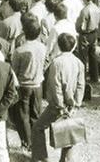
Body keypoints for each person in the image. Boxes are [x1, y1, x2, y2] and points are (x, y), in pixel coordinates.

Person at [30, 33, 85, 162]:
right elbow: (81, 85)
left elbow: (55, 86)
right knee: (69, 132)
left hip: (58, 105)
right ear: (74, 46)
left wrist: (60, 106)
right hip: (71, 106)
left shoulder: (56, 62)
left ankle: (40, 158)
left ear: (59, 46)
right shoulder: (79, 62)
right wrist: (76, 105)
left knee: (38, 127)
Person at [9, 14, 46, 150]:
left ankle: (27, 142)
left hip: (23, 85)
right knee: (36, 113)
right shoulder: (43, 47)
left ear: (24, 32)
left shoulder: (19, 50)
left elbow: (13, 70)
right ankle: (37, 141)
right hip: (38, 84)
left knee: (23, 114)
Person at [76, 0, 100, 86]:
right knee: (93, 55)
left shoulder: (84, 10)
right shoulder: (97, 8)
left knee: (83, 57)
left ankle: (82, 78)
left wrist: (78, 28)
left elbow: (82, 26)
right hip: (94, 33)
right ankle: (94, 76)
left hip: (85, 35)